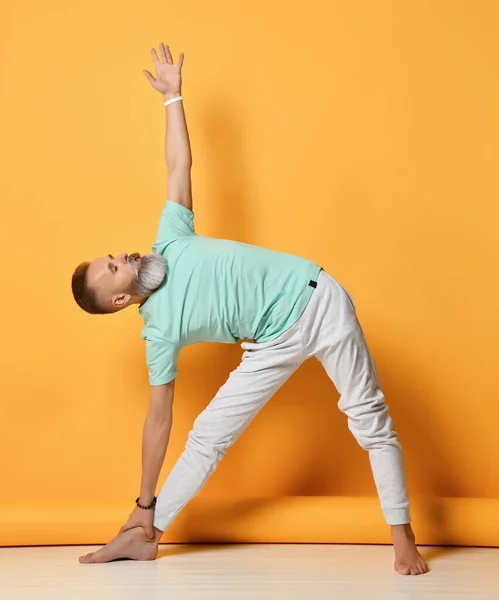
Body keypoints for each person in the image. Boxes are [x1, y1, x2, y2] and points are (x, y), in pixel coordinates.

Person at [72, 43, 429, 576]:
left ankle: (404, 539)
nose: (122, 256)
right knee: (206, 438)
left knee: (369, 418)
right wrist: (143, 499)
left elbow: (178, 162)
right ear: (122, 299)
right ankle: (144, 535)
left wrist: (173, 98)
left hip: (318, 299)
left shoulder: (169, 240)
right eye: (114, 268)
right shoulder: (159, 333)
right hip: (269, 344)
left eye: (112, 255)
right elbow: (159, 418)